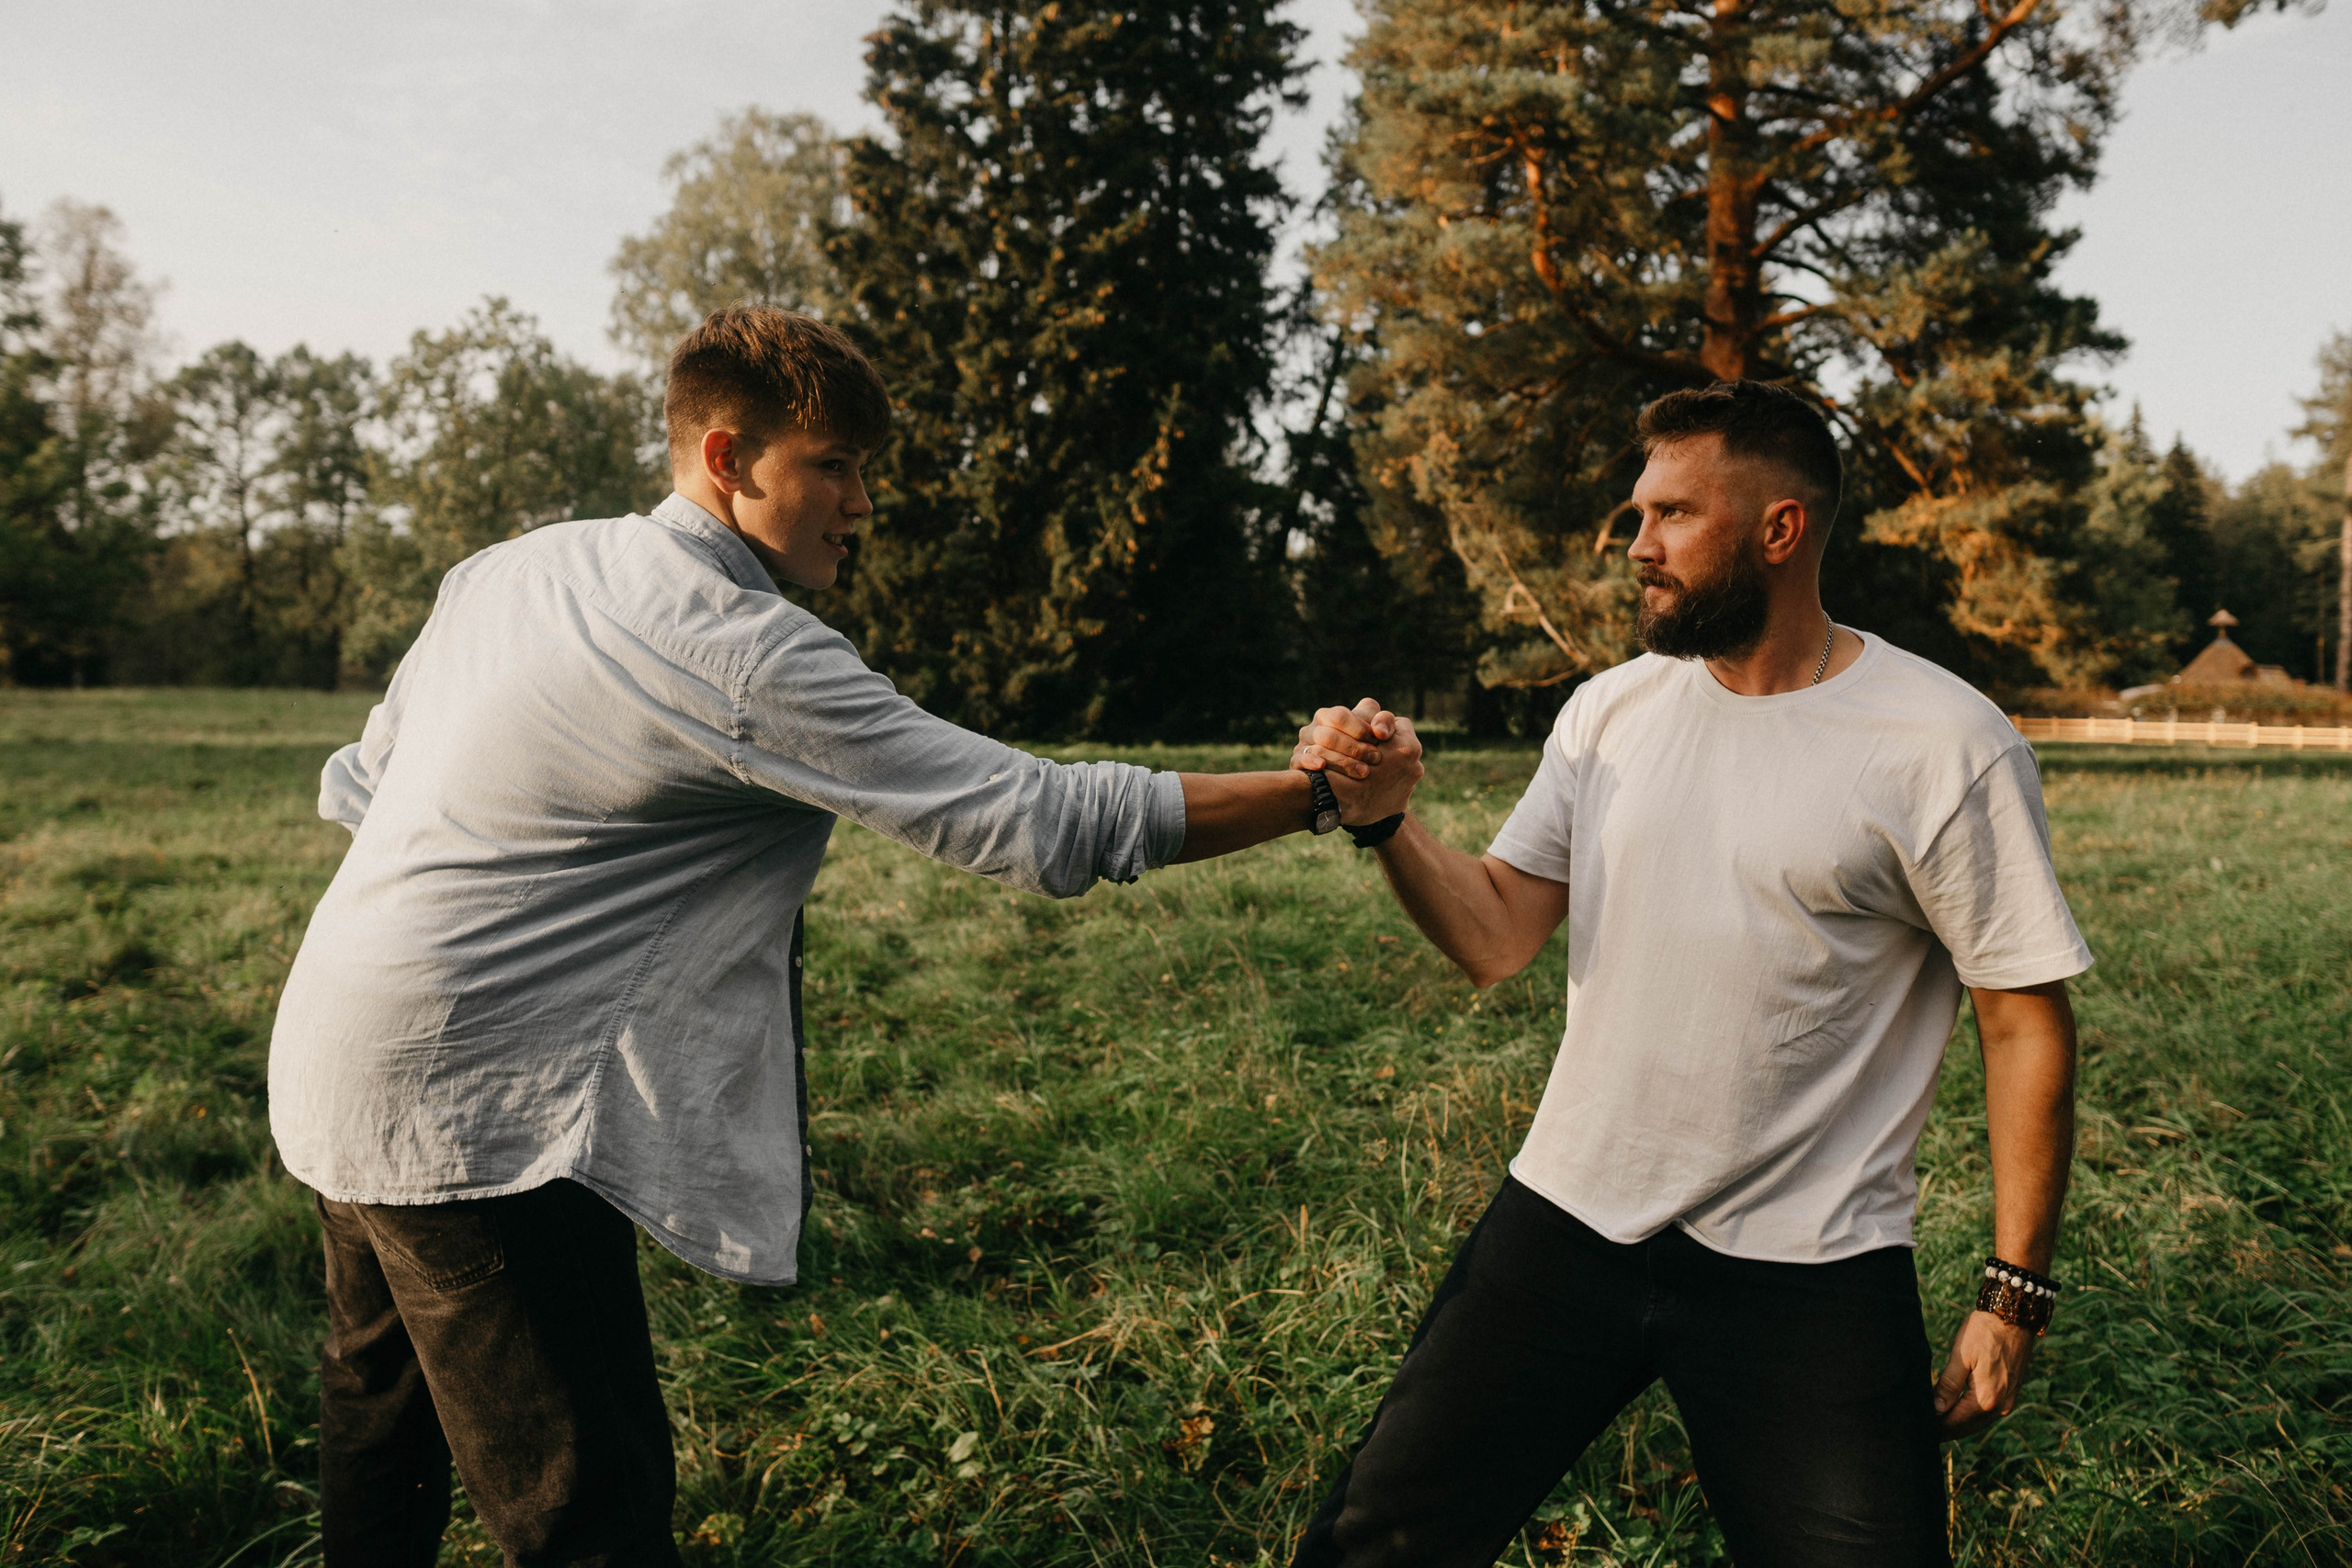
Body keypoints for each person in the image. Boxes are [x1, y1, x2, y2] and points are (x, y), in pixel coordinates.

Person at [268, 305, 1420, 1567]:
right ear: (725, 458)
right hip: (476, 1114)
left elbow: (361, 783)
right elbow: (1037, 820)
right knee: (583, 1506)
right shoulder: (738, 649)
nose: (863, 502)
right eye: (834, 466)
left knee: (376, 1426)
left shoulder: (508, 570)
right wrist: (1318, 797)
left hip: (332, 1047)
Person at [1287, 379, 2089, 1568]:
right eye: (1636, 515)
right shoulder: (1611, 712)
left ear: (1779, 529)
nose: (1638, 548)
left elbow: (2025, 1025)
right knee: (1373, 1547)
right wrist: (1388, 825)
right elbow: (1500, 933)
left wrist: (2012, 1292)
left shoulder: (1943, 744)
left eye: (1671, 516)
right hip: (1566, 1218)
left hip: (1812, 1267)